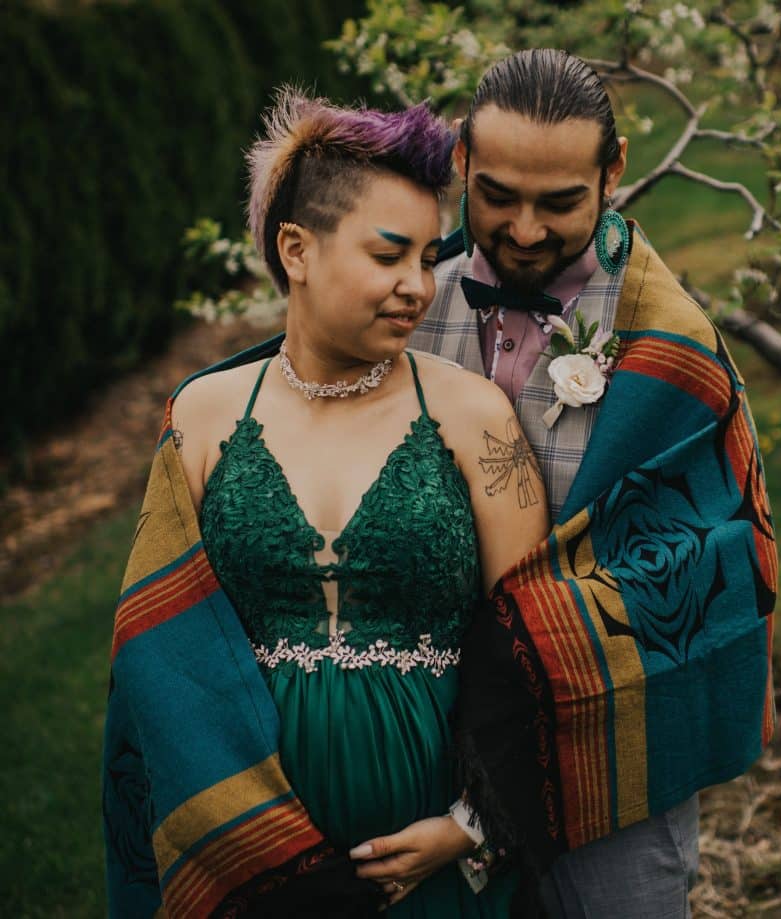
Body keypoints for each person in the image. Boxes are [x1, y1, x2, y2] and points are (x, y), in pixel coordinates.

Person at [103, 88, 547, 917]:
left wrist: (473, 822)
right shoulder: (202, 417)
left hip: (433, 858)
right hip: (248, 852)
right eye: (389, 257)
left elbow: (537, 642)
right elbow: (159, 659)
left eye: (428, 257)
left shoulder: (473, 416)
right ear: (297, 250)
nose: (418, 285)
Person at [409, 50, 778, 919]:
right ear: (461, 158)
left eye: (560, 202)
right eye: (497, 195)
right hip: (418, 729)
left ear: (613, 174)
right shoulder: (410, 300)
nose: (526, 229)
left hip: (610, 762)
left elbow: (692, 570)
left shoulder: (669, 346)